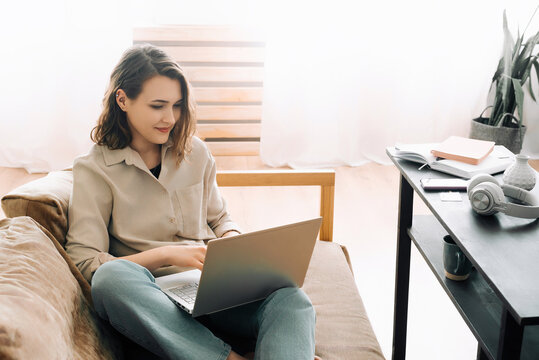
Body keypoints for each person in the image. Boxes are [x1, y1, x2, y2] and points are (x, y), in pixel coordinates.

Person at [65, 44, 318, 360]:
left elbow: (220, 218)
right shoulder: (94, 169)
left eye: (177, 106)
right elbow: (85, 261)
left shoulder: (196, 153)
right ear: (122, 99)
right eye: (157, 106)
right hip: (152, 301)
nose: (169, 118)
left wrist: (233, 244)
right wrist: (169, 254)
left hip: (213, 291)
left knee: (291, 299)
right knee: (109, 280)